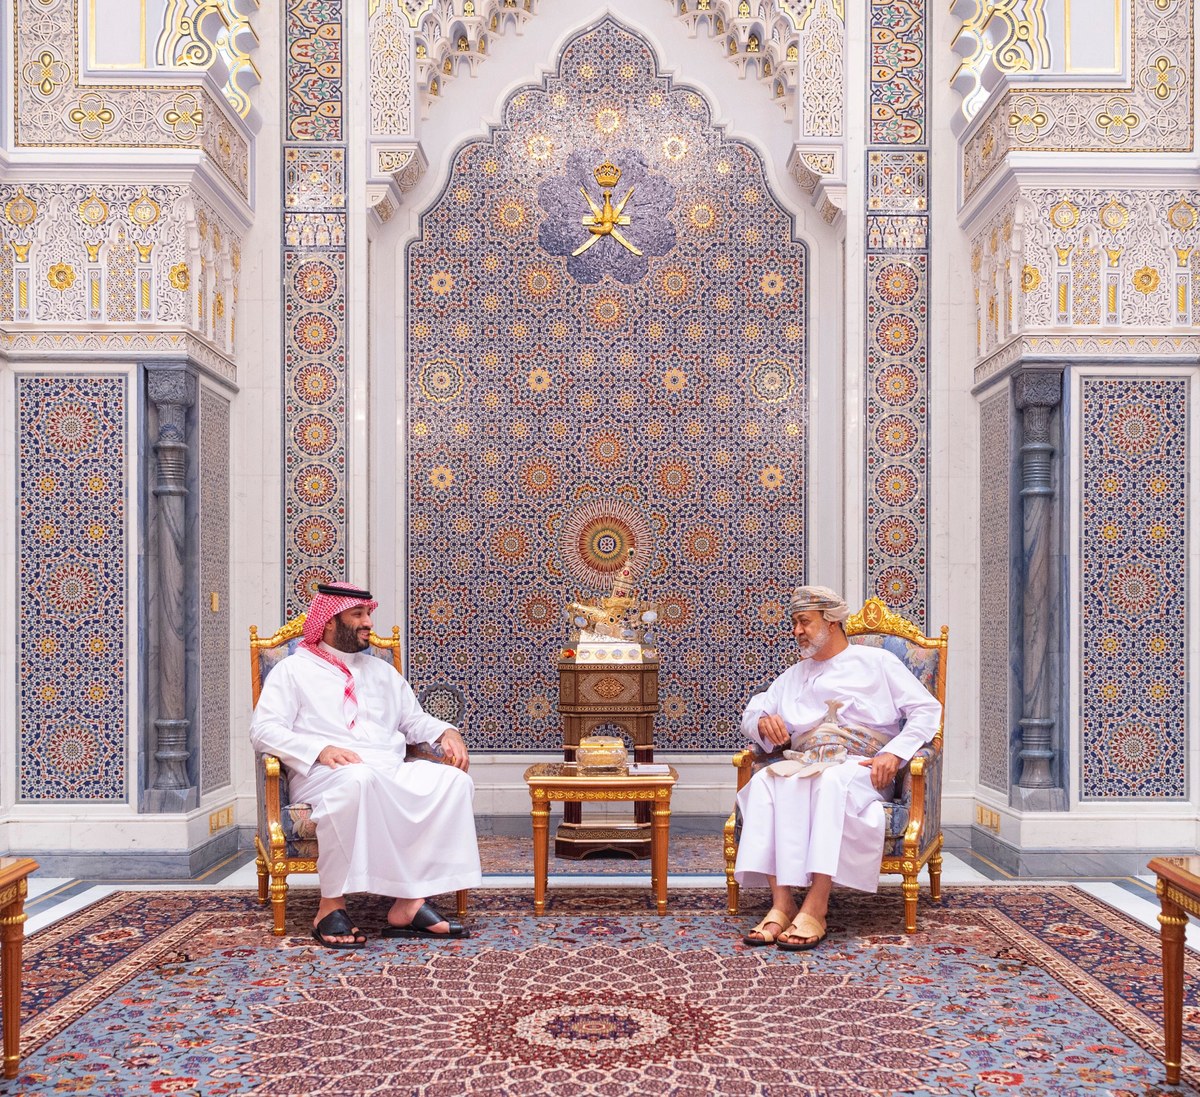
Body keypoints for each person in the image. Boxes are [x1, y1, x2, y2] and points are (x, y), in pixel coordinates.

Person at [250, 582, 482, 949]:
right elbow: (263, 731)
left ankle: (410, 901)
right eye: (358, 615)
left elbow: (414, 721)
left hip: (387, 767)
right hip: (325, 774)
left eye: (368, 614)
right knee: (358, 780)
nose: (368, 623)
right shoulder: (292, 671)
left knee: (452, 782)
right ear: (328, 622)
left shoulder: (381, 671)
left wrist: (446, 732)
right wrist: (320, 749)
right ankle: (330, 906)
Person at [734, 585, 942, 951]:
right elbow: (752, 714)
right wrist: (762, 723)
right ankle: (782, 903)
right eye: (794, 623)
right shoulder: (794, 675)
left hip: (861, 767)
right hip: (806, 763)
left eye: (804, 622)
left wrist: (894, 755)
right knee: (765, 780)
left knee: (831, 781)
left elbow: (927, 711)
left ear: (831, 623)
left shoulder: (878, 663)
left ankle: (817, 905)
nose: (796, 631)